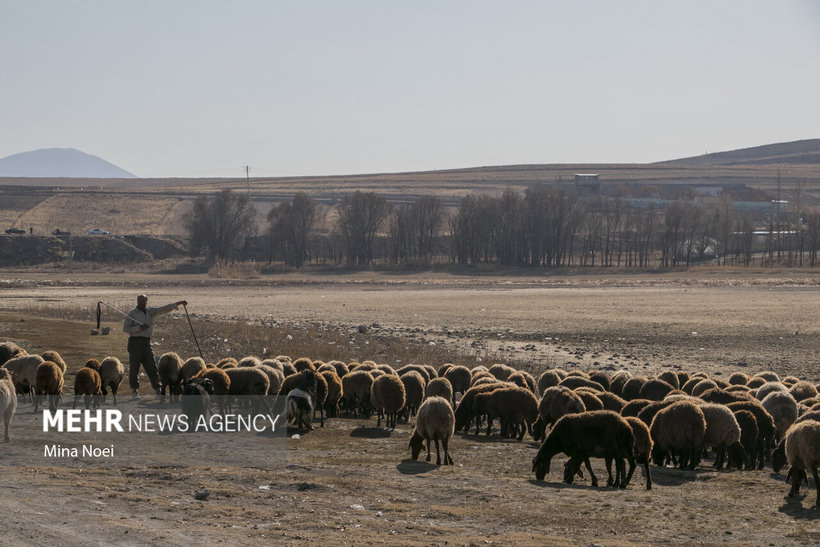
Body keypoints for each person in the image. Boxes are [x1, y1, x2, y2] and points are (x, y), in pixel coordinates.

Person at [122, 294, 187, 400]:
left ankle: (157, 389)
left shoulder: (151, 312)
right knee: (134, 367)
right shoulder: (132, 314)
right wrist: (139, 328)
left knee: (152, 367)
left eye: (143, 301)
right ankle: (135, 391)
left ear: (146, 301)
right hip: (135, 343)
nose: (141, 303)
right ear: (137, 301)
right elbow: (125, 328)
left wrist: (178, 303)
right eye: (140, 301)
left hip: (146, 343)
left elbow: (164, 309)